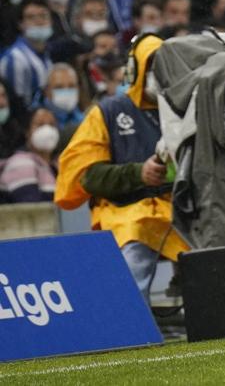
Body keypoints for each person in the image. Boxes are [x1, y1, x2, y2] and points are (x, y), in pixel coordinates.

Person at [55, 34, 188, 303]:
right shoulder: (107, 112)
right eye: (149, 66)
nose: (156, 74)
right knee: (136, 241)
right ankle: (128, 320)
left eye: (161, 66)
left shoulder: (182, 107)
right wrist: (139, 173)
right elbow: (87, 176)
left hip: (182, 206)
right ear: (134, 69)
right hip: (127, 208)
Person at [0, 0, 53, 106]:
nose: (39, 21)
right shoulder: (15, 59)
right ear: (21, 24)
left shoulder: (47, 53)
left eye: (43, 16)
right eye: (31, 17)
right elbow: (17, 106)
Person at [0, 108, 58, 203]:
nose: (47, 130)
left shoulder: (52, 167)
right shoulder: (21, 163)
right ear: (27, 132)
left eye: (52, 125)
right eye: (40, 125)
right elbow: (31, 210)